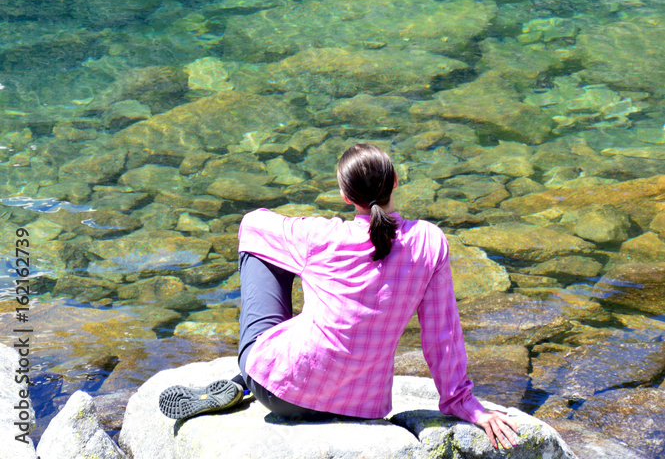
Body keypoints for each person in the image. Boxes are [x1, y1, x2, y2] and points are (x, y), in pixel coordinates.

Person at [159, 143, 519, 450]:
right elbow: (441, 335)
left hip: (279, 395)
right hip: (361, 406)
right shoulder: (430, 241)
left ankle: (249, 376)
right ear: (395, 181)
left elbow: (252, 225)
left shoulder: (320, 236)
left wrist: (297, 246)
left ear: (346, 197)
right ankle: (250, 378)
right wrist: (462, 402)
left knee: (263, 248)